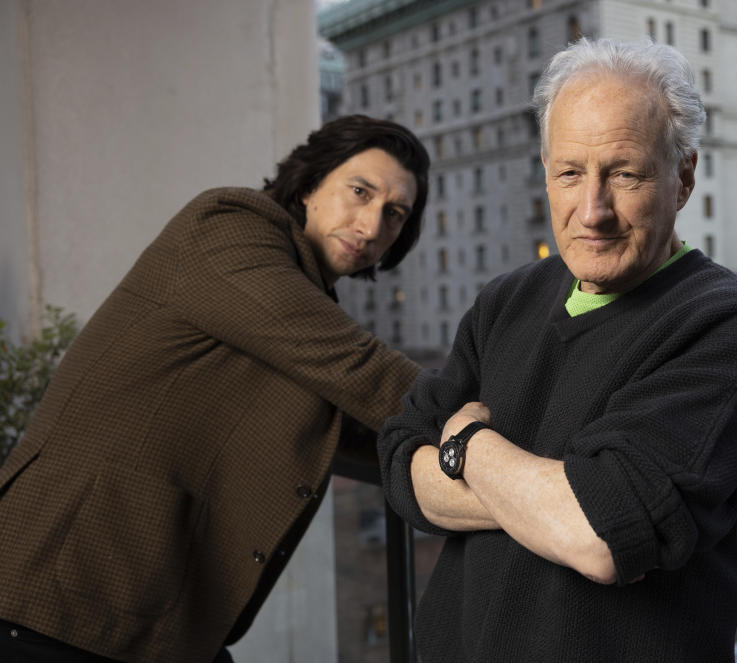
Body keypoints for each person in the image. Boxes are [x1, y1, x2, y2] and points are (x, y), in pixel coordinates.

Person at [379, 38, 737, 662]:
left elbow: (600, 534)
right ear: (546, 172)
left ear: (683, 177)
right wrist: (548, 503)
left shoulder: (726, 323)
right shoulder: (506, 300)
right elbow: (402, 462)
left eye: (625, 174)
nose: (592, 211)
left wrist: (466, 446)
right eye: (570, 172)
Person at [0, 114, 429, 663]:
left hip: (148, 610)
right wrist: (491, 418)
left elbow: (351, 424)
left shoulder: (305, 296)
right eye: (359, 191)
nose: (371, 227)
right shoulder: (230, 225)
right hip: (58, 589)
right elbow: (356, 367)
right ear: (309, 183)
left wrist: (455, 459)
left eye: (394, 214)